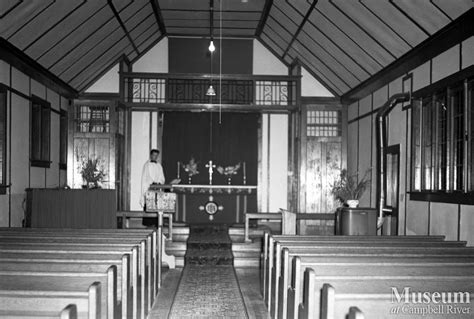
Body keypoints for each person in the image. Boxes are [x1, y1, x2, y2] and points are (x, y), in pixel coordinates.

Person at [140, 149, 165, 227]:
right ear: (151, 155)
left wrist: (159, 182)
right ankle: (148, 224)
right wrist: (148, 186)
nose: (155, 157)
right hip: (149, 188)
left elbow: (162, 177)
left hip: (157, 188)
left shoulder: (159, 165)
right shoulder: (146, 165)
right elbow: (144, 178)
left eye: (156, 156)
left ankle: (156, 224)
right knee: (149, 206)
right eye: (154, 155)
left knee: (156, 206)